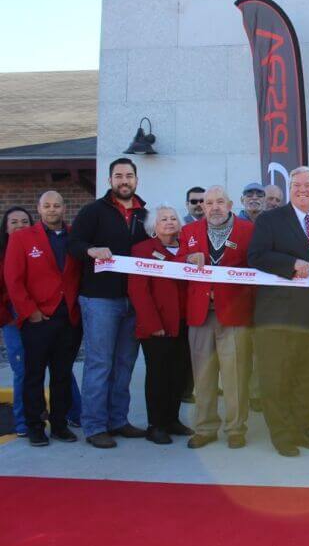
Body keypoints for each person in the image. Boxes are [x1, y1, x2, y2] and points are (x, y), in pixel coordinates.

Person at [249, 167, 309, 457]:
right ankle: (282, 435)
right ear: (289, 189)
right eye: (297, 184)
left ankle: (302, 429)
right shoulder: (270, 219)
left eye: (308, 185)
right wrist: (290, 264)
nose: (302, 189)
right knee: (277, 378)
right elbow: (256, 256)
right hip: (279, 315)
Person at [69, 157, 150, 449]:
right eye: (118, 176)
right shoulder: (93, 211)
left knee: (125, 363)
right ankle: (94, 426)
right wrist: (91, 249)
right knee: (100, 363)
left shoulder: (145, 215)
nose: (124, 180)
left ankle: (118, 420)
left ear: (136, 180)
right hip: (100, 299)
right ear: (110, 180)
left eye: (129, 175)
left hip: (133, 301)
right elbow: (74, 243)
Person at [4, 193, 83, 446]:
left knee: (61, 375)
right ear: (38, 208)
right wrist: (31, 312)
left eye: (57, 205)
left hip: (68, 318)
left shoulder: (75, 237)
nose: (52, 210)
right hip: (37, 319)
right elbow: (13, 280)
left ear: (64, 208)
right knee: (34, 375)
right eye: (47, 206)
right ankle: (35, 426)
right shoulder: (22, 238)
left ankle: (59, 424)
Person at [180, 186, 255, 450]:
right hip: (199, 314)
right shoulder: (188, 232)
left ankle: (236, 428)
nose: (214, 207)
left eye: (219, 202)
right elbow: (176, 262)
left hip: (234, 313)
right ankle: (205, 428)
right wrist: (188, 257)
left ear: (230, 204)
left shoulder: (248, 231)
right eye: (208, 202)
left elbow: (256, 269)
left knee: (235, 375)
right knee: (203, 376)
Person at [127, 203, 191, 445]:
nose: (169, 222)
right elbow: (138, 290)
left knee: (179, 373)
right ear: (154, 225)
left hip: (185, 322)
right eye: (163, 218)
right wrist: (152, 322)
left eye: (173, 218)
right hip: (157, 324)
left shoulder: (187, 248)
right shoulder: (142, 249)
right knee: (158, 375)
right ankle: (156, 425)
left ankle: (172, 419)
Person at [1, 207, 34, 438]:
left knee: (58, 364)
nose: (20, 226)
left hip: (39, 311)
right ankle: (22, 421)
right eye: (14, 222)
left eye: (24, 221)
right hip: (12, 315)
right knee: (22, 368)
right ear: (5, 227)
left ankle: (75, 412)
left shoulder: (36, 250)